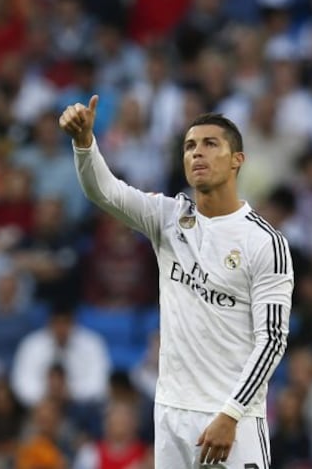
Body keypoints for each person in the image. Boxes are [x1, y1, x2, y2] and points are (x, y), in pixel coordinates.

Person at [59, 95, 294, 468]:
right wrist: (85, 142)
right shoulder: (169, 218)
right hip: (170, 415)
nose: (197, 153)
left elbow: (272, 341)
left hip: (234, 417)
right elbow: (104, 191)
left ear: (238, 160)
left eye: (210, 144)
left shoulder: (265, 242)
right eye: (189, 146)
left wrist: (231, 414)